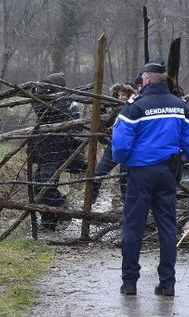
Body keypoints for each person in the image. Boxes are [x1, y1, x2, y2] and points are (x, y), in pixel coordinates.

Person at [112, 59, 189, 296]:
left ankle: (129, 283)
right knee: (168, 228)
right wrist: (182, 158)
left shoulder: (135, 107)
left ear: (147, 79)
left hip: (140, 172)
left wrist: (128, 160)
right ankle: (168, 283)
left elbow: (120, 145)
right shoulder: (180, 105)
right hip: (168, 173)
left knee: (133, 228)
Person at [30, 72, 84, 231]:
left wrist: (35, 93)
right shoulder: (57, 101)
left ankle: (64, 211)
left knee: (46, 184)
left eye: (46, 88)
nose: (43, 91)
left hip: (59, 149)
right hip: (47, 150)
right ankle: (48, 222)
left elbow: (42, 111)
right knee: (38, 185)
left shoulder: (64, 102)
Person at [90, 83, 136, 203]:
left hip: (130, 149)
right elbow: (104, 126)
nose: (121, 97)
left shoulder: (135, 107)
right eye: (119, 95)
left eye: (124, 95)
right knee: (98, 173)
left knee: (125, 178)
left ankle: (126, 206)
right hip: (113, 147)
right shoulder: (114, 109)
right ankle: (91, 199)